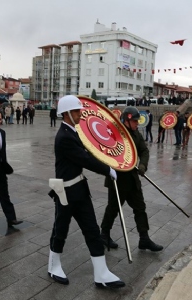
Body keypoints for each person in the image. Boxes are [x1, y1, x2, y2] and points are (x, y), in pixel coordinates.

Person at [47, 95, 125, 289]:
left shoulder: (73, 132)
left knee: (91, 230)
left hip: (80, 190)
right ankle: (53, 265)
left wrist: (108, 158)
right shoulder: (64, 137)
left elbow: (89, 152)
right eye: (76, 111)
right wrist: (107, 170)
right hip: (66, 192)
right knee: (60, 231)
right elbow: (84, 159)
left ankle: (101, 273)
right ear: (66, 114)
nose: (80, 114)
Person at [100, 107, 163, 252]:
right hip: (117, 179)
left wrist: (142, 165)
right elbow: (106, 152)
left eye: (137, 121)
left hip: (133, 179)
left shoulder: (136, 134)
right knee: (113, 209)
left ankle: (144, 238)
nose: (137, 124)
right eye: (134, 121)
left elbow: (144, 150)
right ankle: (104, 234)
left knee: (140, 208)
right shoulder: (115, 133)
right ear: (126, 120)